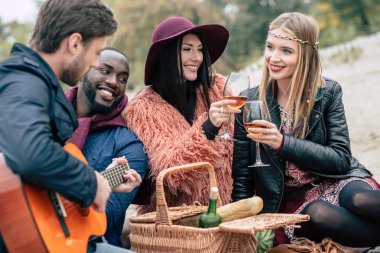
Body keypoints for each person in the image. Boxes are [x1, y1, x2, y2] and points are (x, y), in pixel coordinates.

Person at [232, 12, 380, 247]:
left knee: (362, 201)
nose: (274, 57)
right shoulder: (249, 102)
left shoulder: (328, 92)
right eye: (270, 47)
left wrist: (283, 142)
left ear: (306, 55)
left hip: (338, 180)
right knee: (318, 213)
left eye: (286, 50)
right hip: (291, 200)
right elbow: (242, 176)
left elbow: (341, 160)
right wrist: (237, 228)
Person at [0, 1, 135, 252]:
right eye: (96, 53)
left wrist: (104, 180)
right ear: (74, 43)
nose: (95, 63)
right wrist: (90, 182)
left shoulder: (35, 82)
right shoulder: (24, 81)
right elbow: (30, 153)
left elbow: (33, 179)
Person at [122, 17, 239, 214]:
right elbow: (174, 174)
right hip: (176, 223)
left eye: (200, 49)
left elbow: (240, 152)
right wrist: (208, 128)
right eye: (187, 49)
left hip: (225, 217)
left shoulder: (218, 89)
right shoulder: (143, 108)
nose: (197, 57)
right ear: (167, 54)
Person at [65, 47, 148, 247]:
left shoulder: (129, 147)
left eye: (122, 79)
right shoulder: (45, 122)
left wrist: (104, 181)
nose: (113, 81)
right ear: (83, 71)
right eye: (105, 71)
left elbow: (100, 222)